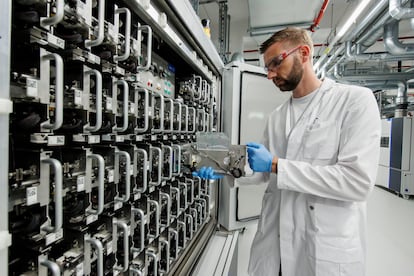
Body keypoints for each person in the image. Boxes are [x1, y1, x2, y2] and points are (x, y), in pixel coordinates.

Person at [193, 27, 381, 276]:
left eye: (275, 63)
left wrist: (276, 165)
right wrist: (227, 169)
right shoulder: (278, 116)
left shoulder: (354, 101)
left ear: (303, 53)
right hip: (275, 246)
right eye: (267, 68)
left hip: (321, 248)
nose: (270, 75)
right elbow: (262, 173)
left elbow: (357, 182)